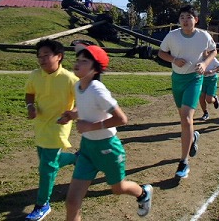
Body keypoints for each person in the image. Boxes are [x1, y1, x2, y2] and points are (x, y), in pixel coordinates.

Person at [60, 43, 153, 220]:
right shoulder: (79, 86)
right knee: (72, 202)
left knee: (118, 189)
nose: (78, 63)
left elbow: (121, 119)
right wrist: (72, 115)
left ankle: (143, 193)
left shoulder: (98, 90)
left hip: (108, 148)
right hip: (87, 149)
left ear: (95, 69)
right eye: (78, 59)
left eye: (84, 61)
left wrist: (90, 126)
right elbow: (87, 108)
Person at [158, 5, 217, 179]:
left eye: (189, 17)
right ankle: (192, 138)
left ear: (195, 20)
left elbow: (213, 50)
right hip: (177, 80)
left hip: (194, 78)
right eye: (182, 17)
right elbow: (161, 52)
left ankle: (183, 162)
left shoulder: (203, 36)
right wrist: (174, 60)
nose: (185, 20)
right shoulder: (172, 35)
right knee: (184, 120)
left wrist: (205, 64)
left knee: (186, 118)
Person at [24, 39, 79, 221]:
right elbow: (29, 93)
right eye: (39, 56)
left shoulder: (70, 78)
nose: (42, 59)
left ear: (59, 57)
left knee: (46, 167)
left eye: (46, 55)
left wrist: (70, 115)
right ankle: (76, 158)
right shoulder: (35, 75)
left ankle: (42, 204)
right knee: (48, 161)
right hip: (41, 124)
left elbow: (82, 102)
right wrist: (30, 106)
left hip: (59, 125)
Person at [199, 51, 219, 121]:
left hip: (212, 79)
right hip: (202, 80)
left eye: (204, 51)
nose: (202, 53)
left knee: (209, 100)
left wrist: (213, 70)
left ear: (208, 52)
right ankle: (205, 113)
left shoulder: (212, 59)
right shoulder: (199, 59)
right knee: (201, 97)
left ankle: (214, 99)